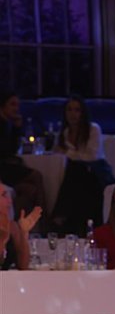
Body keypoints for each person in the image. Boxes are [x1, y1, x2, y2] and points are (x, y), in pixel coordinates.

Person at [51, 96, 114, 235]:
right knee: (75, 171)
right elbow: (57, 154)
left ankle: (60, 214)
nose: (72, 114)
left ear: (83, 113)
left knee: (76, 170)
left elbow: (91, 156)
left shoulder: (93, 129)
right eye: (69, 110)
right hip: (77, 175)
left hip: (97, 172)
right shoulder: (65, 132)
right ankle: (66, 220)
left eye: (77, 110)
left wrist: (68, 153)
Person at [0, 92, 45, 225]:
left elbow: (11, 149)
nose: (16, 109)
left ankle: (15, 226)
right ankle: (44, 219)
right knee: (36, 175)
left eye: (17, 105)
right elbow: (5, 151)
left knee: (30, 190)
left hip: (5, 166)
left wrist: (17, 128)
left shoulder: (7, 123)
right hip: (2, 168)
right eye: (12, 104)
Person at [0, 183, 41, 271]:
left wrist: (24, 233)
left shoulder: (12, 226)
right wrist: (3, 241)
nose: (9, 201)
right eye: (4, 195)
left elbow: (23, 266)